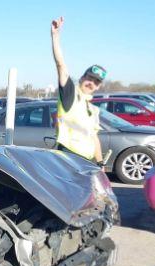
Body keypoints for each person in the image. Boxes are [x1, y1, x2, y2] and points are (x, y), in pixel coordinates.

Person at [51, 16, 107, 165]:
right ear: (82, 78)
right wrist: (55, 36)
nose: (91, 83)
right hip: (68, 157)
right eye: (90, 78)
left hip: (86, 161)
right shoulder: (71, 94)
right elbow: (61, 66)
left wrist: (100, 162)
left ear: (99, 86)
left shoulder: (93, 109)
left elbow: (94, 137)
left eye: (96, 82)